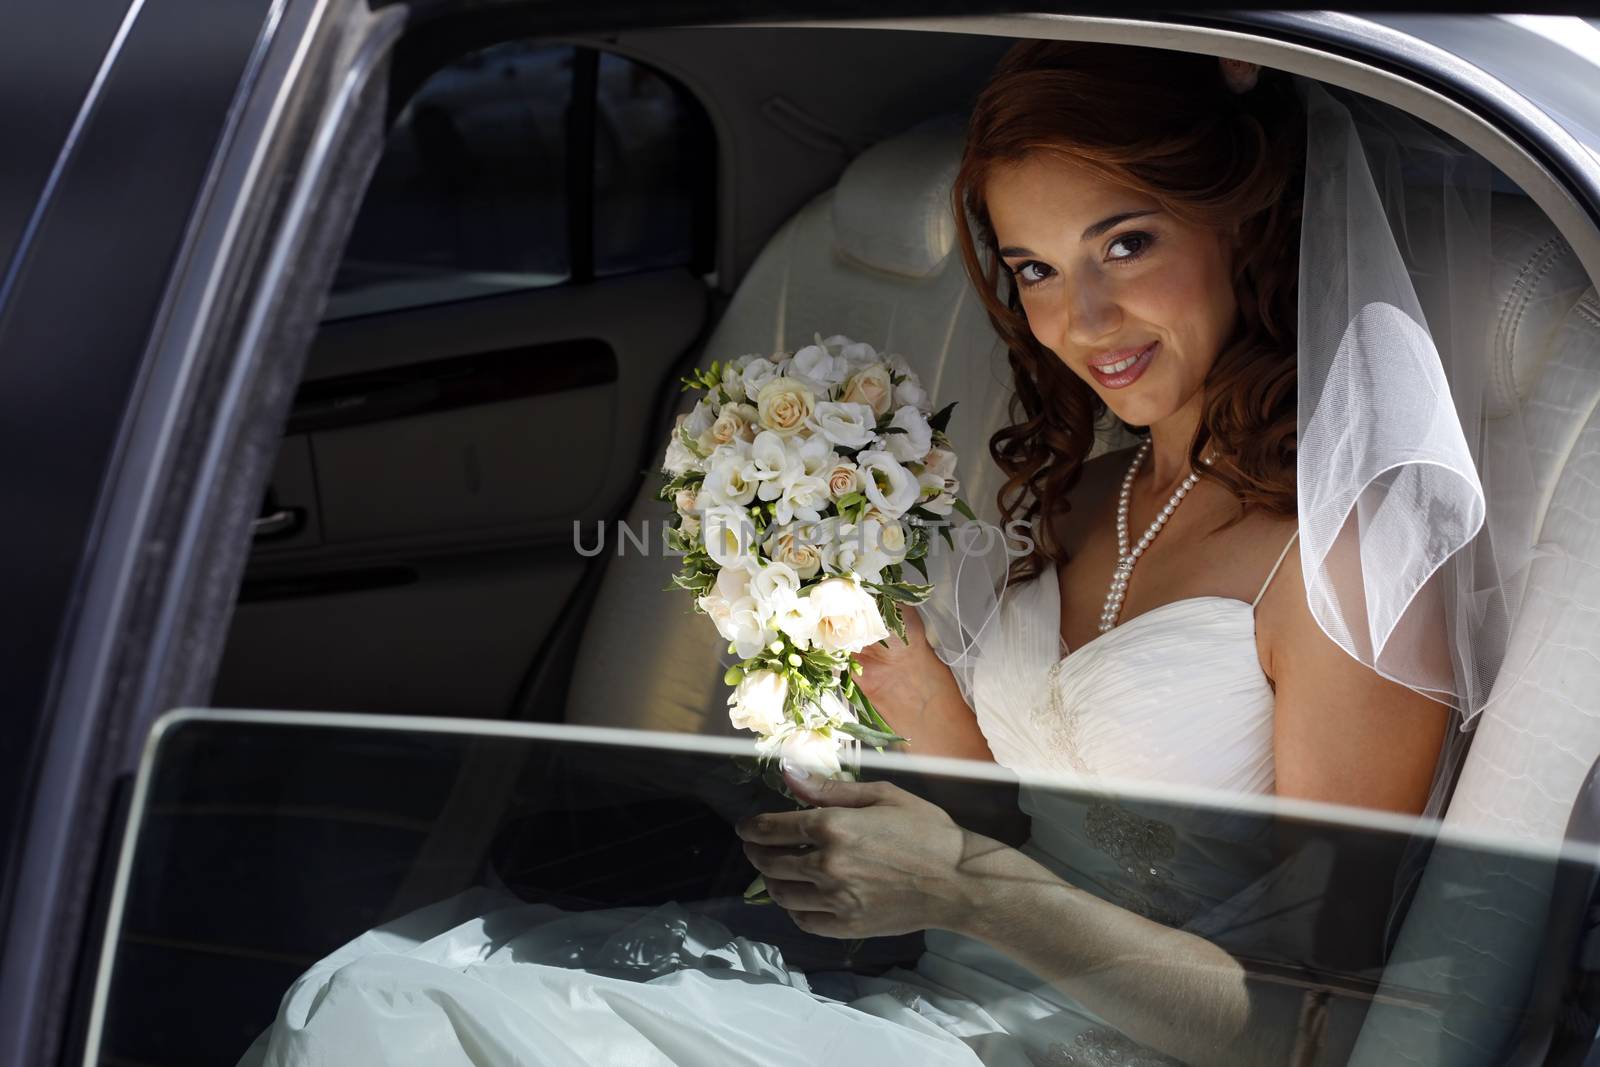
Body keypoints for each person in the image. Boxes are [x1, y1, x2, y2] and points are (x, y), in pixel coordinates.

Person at [240, 41, 1497, 1067]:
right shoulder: (1085, 495)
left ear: (1242, 221)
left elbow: (1318, 1027)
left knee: (389, 1021)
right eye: (1035, 271)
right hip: (937, 997)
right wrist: (887, 676)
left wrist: (970, 884)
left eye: (1128, 243)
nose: (1083, 321)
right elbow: (1016, 820)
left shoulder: (1342, 556)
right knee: (375, 995)